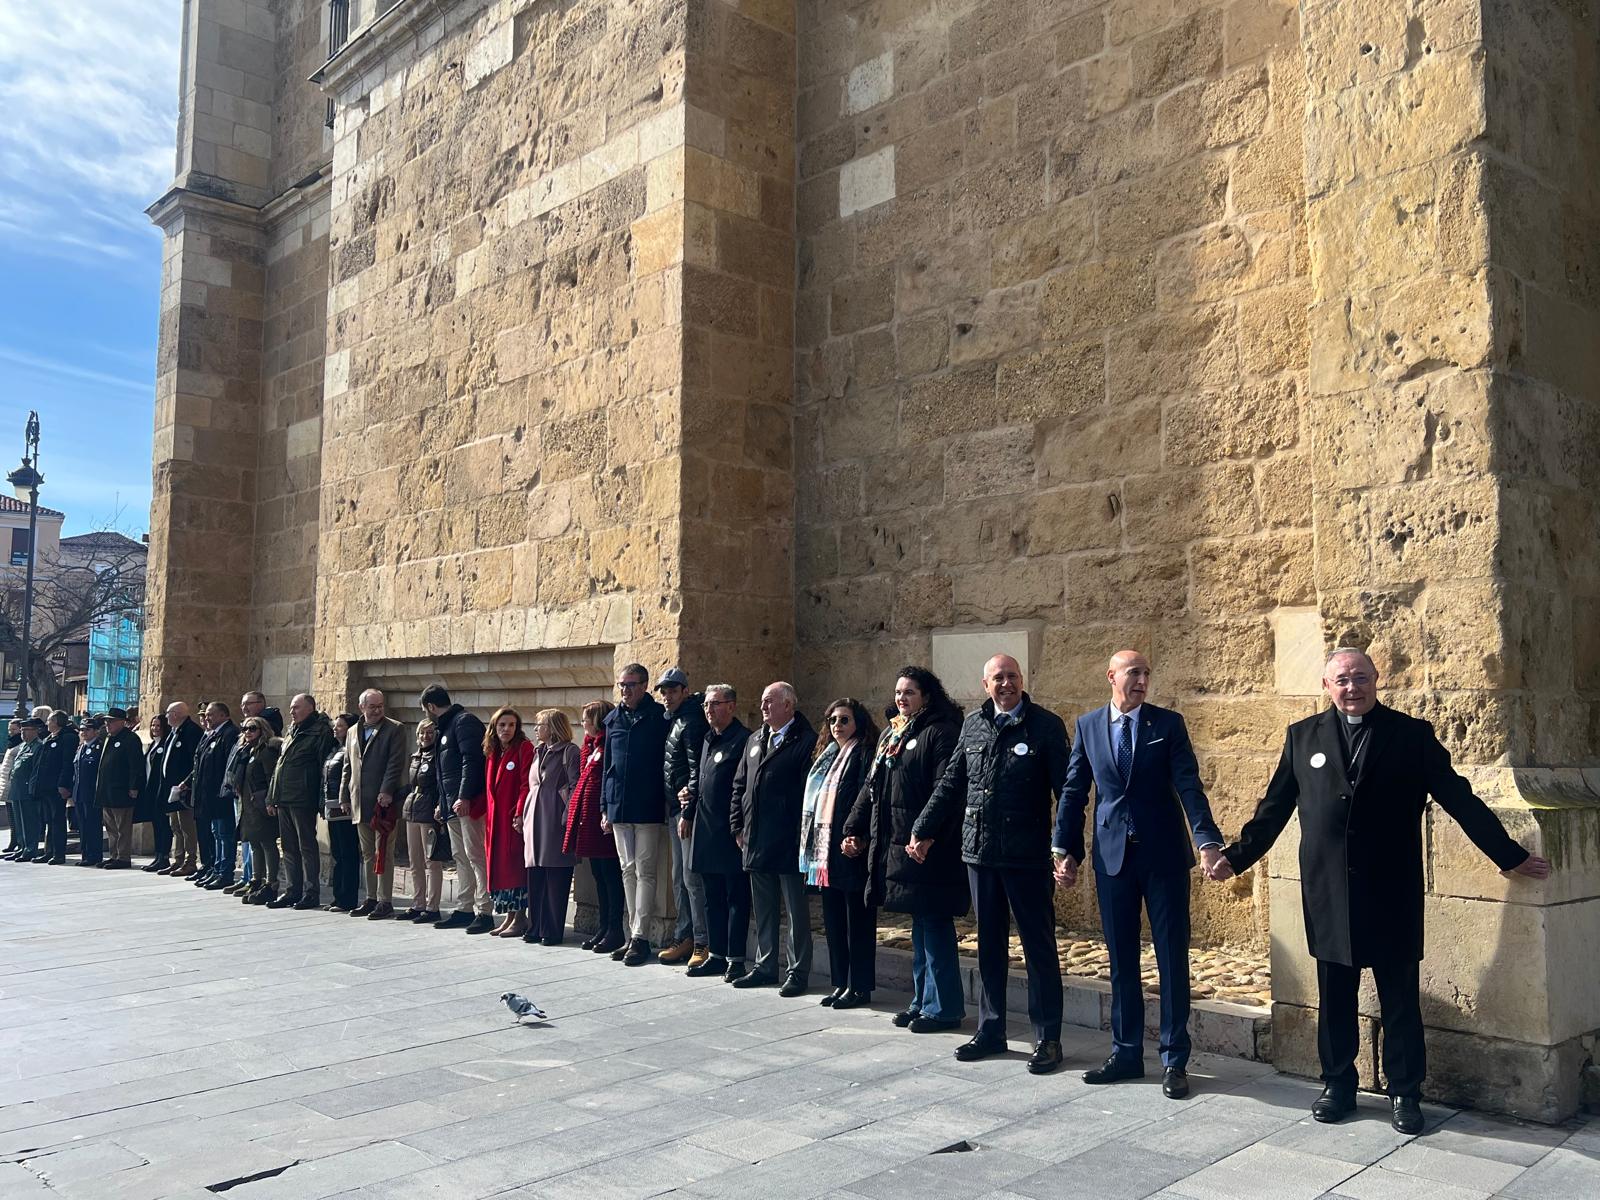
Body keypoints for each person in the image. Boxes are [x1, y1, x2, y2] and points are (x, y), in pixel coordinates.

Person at [1212, 647, 1551, 1133]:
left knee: (1399, 998)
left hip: (1391, 888)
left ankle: (1405, 1094)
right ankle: (1337, 1085)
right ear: (1327, 687)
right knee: (1335, 994)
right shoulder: (1301, 736)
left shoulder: (1411, 736)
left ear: (1377, 679)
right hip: (1328, 891)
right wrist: (1236, 857)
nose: (1352, 688)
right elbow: (1274, 809)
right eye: (1342, 680)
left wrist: (1509, 854)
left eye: (1360, 678)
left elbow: (1458, 797)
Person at [1051, 649, 1224, 1096]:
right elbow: (1074, 790)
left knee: (1171, 958)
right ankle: (1126, 1052)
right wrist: (1064, 849)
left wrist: (1206, 841)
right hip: (1112, 859)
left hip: (1163, 857)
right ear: (1112, 676)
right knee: (1121, 959)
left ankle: (1174, 1059)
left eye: (1147, 672)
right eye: (1134, 672)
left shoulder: (1167, 724)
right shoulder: (1088, 726)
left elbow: (1189, 784)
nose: (1142, 679)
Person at [909, 655, 1071, 1073]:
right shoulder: (973, 725)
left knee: (1039, 948)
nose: (1006, 684)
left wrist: (1065, 847)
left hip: (1028, 857)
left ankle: (1047, 1037)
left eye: (1012, 677)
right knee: (988, 947)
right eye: (998, 678)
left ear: (1022, 680)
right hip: (979, 854)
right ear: (985, 684)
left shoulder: (1046, 725)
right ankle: (991, 1029)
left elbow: (1066, 792)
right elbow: (952, 782)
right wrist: (923, 827)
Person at [843, 666, 967, 1032]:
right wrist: (855, 828)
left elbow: (947, 790)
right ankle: (921, 999)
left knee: (935, 925)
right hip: (901, 845)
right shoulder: (892, 735)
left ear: (927, 696)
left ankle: (943, 1008)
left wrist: (926, 831)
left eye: (910, 692)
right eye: (898, 692)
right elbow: (873, 789)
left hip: (929, 847)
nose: (901, 698)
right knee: (919, 925)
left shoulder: (941, 733)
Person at [730, 681, 818, 996]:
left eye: (770, 701)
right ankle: (765, 965)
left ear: (788, 705)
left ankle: (797, 971)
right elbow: (739, 784)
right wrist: (737, 825)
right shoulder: (755, 739)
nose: (764, 706)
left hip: (787, 840)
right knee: (763, 908)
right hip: (755, 838)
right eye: (763, 701)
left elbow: (809, 793)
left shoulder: (806, 741)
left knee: (795, 911)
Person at [802, 697, 878, 1008]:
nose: (837, 726)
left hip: (852, 847)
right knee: (833, 918)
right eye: (833, 720)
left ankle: (859, 986)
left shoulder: (864, 754)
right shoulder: (828, 756)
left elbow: (868, 798)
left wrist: (858, 835)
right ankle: (840, 982)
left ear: (858, 722)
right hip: (826, 849)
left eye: (844, 720)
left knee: (856, 921)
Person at [601, 663, 672, 966]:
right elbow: (608, 767)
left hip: (647, 804)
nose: (625, 691)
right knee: (627, 870)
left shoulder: (659, 718)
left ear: (644, 686)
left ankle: (641, 937)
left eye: (630, 685)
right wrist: (605, 806)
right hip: (619, 804)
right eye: (621, 685)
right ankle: (633, 932)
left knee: (646, 870)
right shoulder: (613, 719)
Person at [683, 685, 751, 981]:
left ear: (732, 706)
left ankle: (736, 958)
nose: (709, 710)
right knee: (711, 896)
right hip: (706, 829)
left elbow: (743, 787)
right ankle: (716, 954)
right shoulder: (708, 738)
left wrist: (739, 826)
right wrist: (688, 802)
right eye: (707, 705)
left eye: (716, 704)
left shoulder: (744, 739)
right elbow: (701, 779)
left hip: (730, 830)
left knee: (735, 896)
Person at [421, 684, 492, 934]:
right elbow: (444, 772)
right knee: (460, 856)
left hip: (467, 803)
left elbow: (471, 761)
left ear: (430, 707)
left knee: (475, 856)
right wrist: (442, 802)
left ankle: (485, 911)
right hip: (452, 804)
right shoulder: (445, 727)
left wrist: (463, 796)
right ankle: (464, 908)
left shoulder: (463, 722)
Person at [658, 667, 709, 966]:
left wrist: (687, 813)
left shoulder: (690, 722)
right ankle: (684, 935)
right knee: (679, 878)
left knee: (691, 879)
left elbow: (695, 772)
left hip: (684, 813)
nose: (667, 696)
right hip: (673, 811)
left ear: (685, 692)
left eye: (673, 690)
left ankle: (700, 941)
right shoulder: (676, 720)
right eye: (664, 691)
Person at [265, 693, 336, 910]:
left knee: (306, 845)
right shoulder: (292, 730)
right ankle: (292, 890)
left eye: (296, 707)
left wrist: (321, 800)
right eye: (291, 708)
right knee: (288, 847)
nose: (291, 711)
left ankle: (311, 891)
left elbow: (324, 766)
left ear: (310, 708)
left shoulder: (320, 731)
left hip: (302, 798)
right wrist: (272, 796)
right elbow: (280, 766)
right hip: (284, 797)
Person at [562, 700, 623, 953]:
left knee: (611, 875)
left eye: (587, 718)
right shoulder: (590, 747)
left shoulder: (608, 744)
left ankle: (615, 928)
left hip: (603, 821)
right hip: (590, 822)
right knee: (598, 875)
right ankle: (603, 926)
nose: (583, 723)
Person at [342, 689, 406, 920]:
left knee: (384, 853)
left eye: (380, 705)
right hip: (360, 801)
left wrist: (387, 791)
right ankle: (370, 897)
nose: (378, 710)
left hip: (383, 803)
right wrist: (344, 796)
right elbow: (348, 766)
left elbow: (395, 762)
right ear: (362, 708)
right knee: (368, 852)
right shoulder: (351, 731)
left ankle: (385, 900)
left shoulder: (395, 729)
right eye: (373, 706)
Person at [521, 708, 581, 944]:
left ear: (552, 727)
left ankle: (552, 928)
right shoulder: (538, 752)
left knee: (555, 873)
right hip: (534, 818)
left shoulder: (569, 752)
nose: (536, 729)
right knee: (535, 873)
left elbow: (576, 786)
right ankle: (535, 925)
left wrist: (568, 817)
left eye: (540, 725)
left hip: (555, 817)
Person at [483, 706, 535, 938]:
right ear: (494, 727)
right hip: (495, 821)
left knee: (515, 868)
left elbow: (526, 784)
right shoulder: (494, 752)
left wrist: (519, 812)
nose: (506, 729)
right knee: (502, 868)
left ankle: (520, 917)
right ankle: (509, 916)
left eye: (511, 725)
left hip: (513, 819)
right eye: (502, 725)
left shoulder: (523, 748)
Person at [188, 701, 241, 889]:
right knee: (216, 833)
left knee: (225, 834)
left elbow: (228, 766)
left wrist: (224, 789)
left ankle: (225, 872)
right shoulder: (212, 735)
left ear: (223, 716)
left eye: (211, 715)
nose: (207, 718)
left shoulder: (229, 734)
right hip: (209, 795)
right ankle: (216, 869)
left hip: (222, 797)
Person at [400, 720, 444, 923]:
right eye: (422, 733)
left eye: (429, 732)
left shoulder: (437, 756)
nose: (425, 736)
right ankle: (418, 903)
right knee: (414, 861)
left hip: (428, 811)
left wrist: (439, 807)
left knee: (431, 862)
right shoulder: (415, 756)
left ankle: (432, 906)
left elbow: (439, 785)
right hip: (412, 809)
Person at [237, 717, 281, 905]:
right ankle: (257, 879)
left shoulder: (267, 751)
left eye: (252, 728)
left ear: (262, 730)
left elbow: (272, 778)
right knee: (254, 842)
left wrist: (271, 801)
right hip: (249, 804)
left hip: (262, 805)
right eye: (245, 728)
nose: (248, 732)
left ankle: (271, 883)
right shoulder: (248, 750)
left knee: (267, 843)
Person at [95, 709, 145, 870]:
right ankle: (114, 854)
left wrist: (134, 786)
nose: (107, 724)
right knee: (110, 826)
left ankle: (123, 857)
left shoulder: (130, 739)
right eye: (106, 721)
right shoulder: (109, 738)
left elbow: (135, 765)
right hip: (107, 790)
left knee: (122, 826)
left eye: (111, 721)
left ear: (122, 722)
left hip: (121, 789)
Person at [158, 702, 203, 876]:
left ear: (176, 714)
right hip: (172, 790)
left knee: (187, 827)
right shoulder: (174, 732)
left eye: (168, 713)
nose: (166, 716)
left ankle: (190, 861)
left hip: (184, 789)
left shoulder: (191, 731)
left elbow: (195, 762)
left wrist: (187, 783)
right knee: (175, 826)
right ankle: (178, 859)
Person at [323, 712, 360, 912]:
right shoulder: (334, 749)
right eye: (335, 725)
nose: (335, 729)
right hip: (332, 806)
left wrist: (345, 799)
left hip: (345, 807)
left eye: (340, 726)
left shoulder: (352, 749)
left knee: (348, 852)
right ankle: (338, 896)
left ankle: (348, 898)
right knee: (337, 852)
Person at [35, 711, 78, 866]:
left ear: (56, 721)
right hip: (45, 787)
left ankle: (58, 853)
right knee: (48, 820)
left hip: (57, 787)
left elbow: (67, 763)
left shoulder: (68, 737)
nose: (47, 723)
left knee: (57, 820)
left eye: (49, 720)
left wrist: (63, 784)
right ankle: (49, 851)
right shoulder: (49, 738)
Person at [4, 718, 44, 861]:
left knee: (29, 821)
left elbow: (36, 769)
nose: (23, 733)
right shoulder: (23, 746)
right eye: (21, 730)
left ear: (35, 731)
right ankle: (21, 847)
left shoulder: (38, 746)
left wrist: (32, 788)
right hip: (17, 788)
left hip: (27, 788)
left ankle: (30, 849)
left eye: (26, 730)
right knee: (19, 821)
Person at [70, 715, 107, 867]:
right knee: (83, 826)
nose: (84, 732)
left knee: (93, 825)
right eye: (82, 730)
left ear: (96, 731)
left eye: (87, 729)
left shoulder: (99, 747)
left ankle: (95, 854)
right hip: (79, 792)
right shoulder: (81, 747)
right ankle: (86, 853)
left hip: (91, 793)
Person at [137, 713, 172, 871]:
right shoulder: (153, 744)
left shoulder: (165, 744)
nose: (155, 729)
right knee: (156, 824)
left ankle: (164, 856)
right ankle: (157, 855)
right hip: (150, 790)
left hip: (161, 790)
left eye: (158, 726)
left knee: (163, 825)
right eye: (153, 726)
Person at [1, 719, 21, 853]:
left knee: (16, 817)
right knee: (11, 817)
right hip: (7, 784)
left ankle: (17, 841)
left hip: (13, 784)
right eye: (10, 729)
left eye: (14, 729)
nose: (11, 732)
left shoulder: (20, 745)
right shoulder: (11, 744)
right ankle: (13, 841)